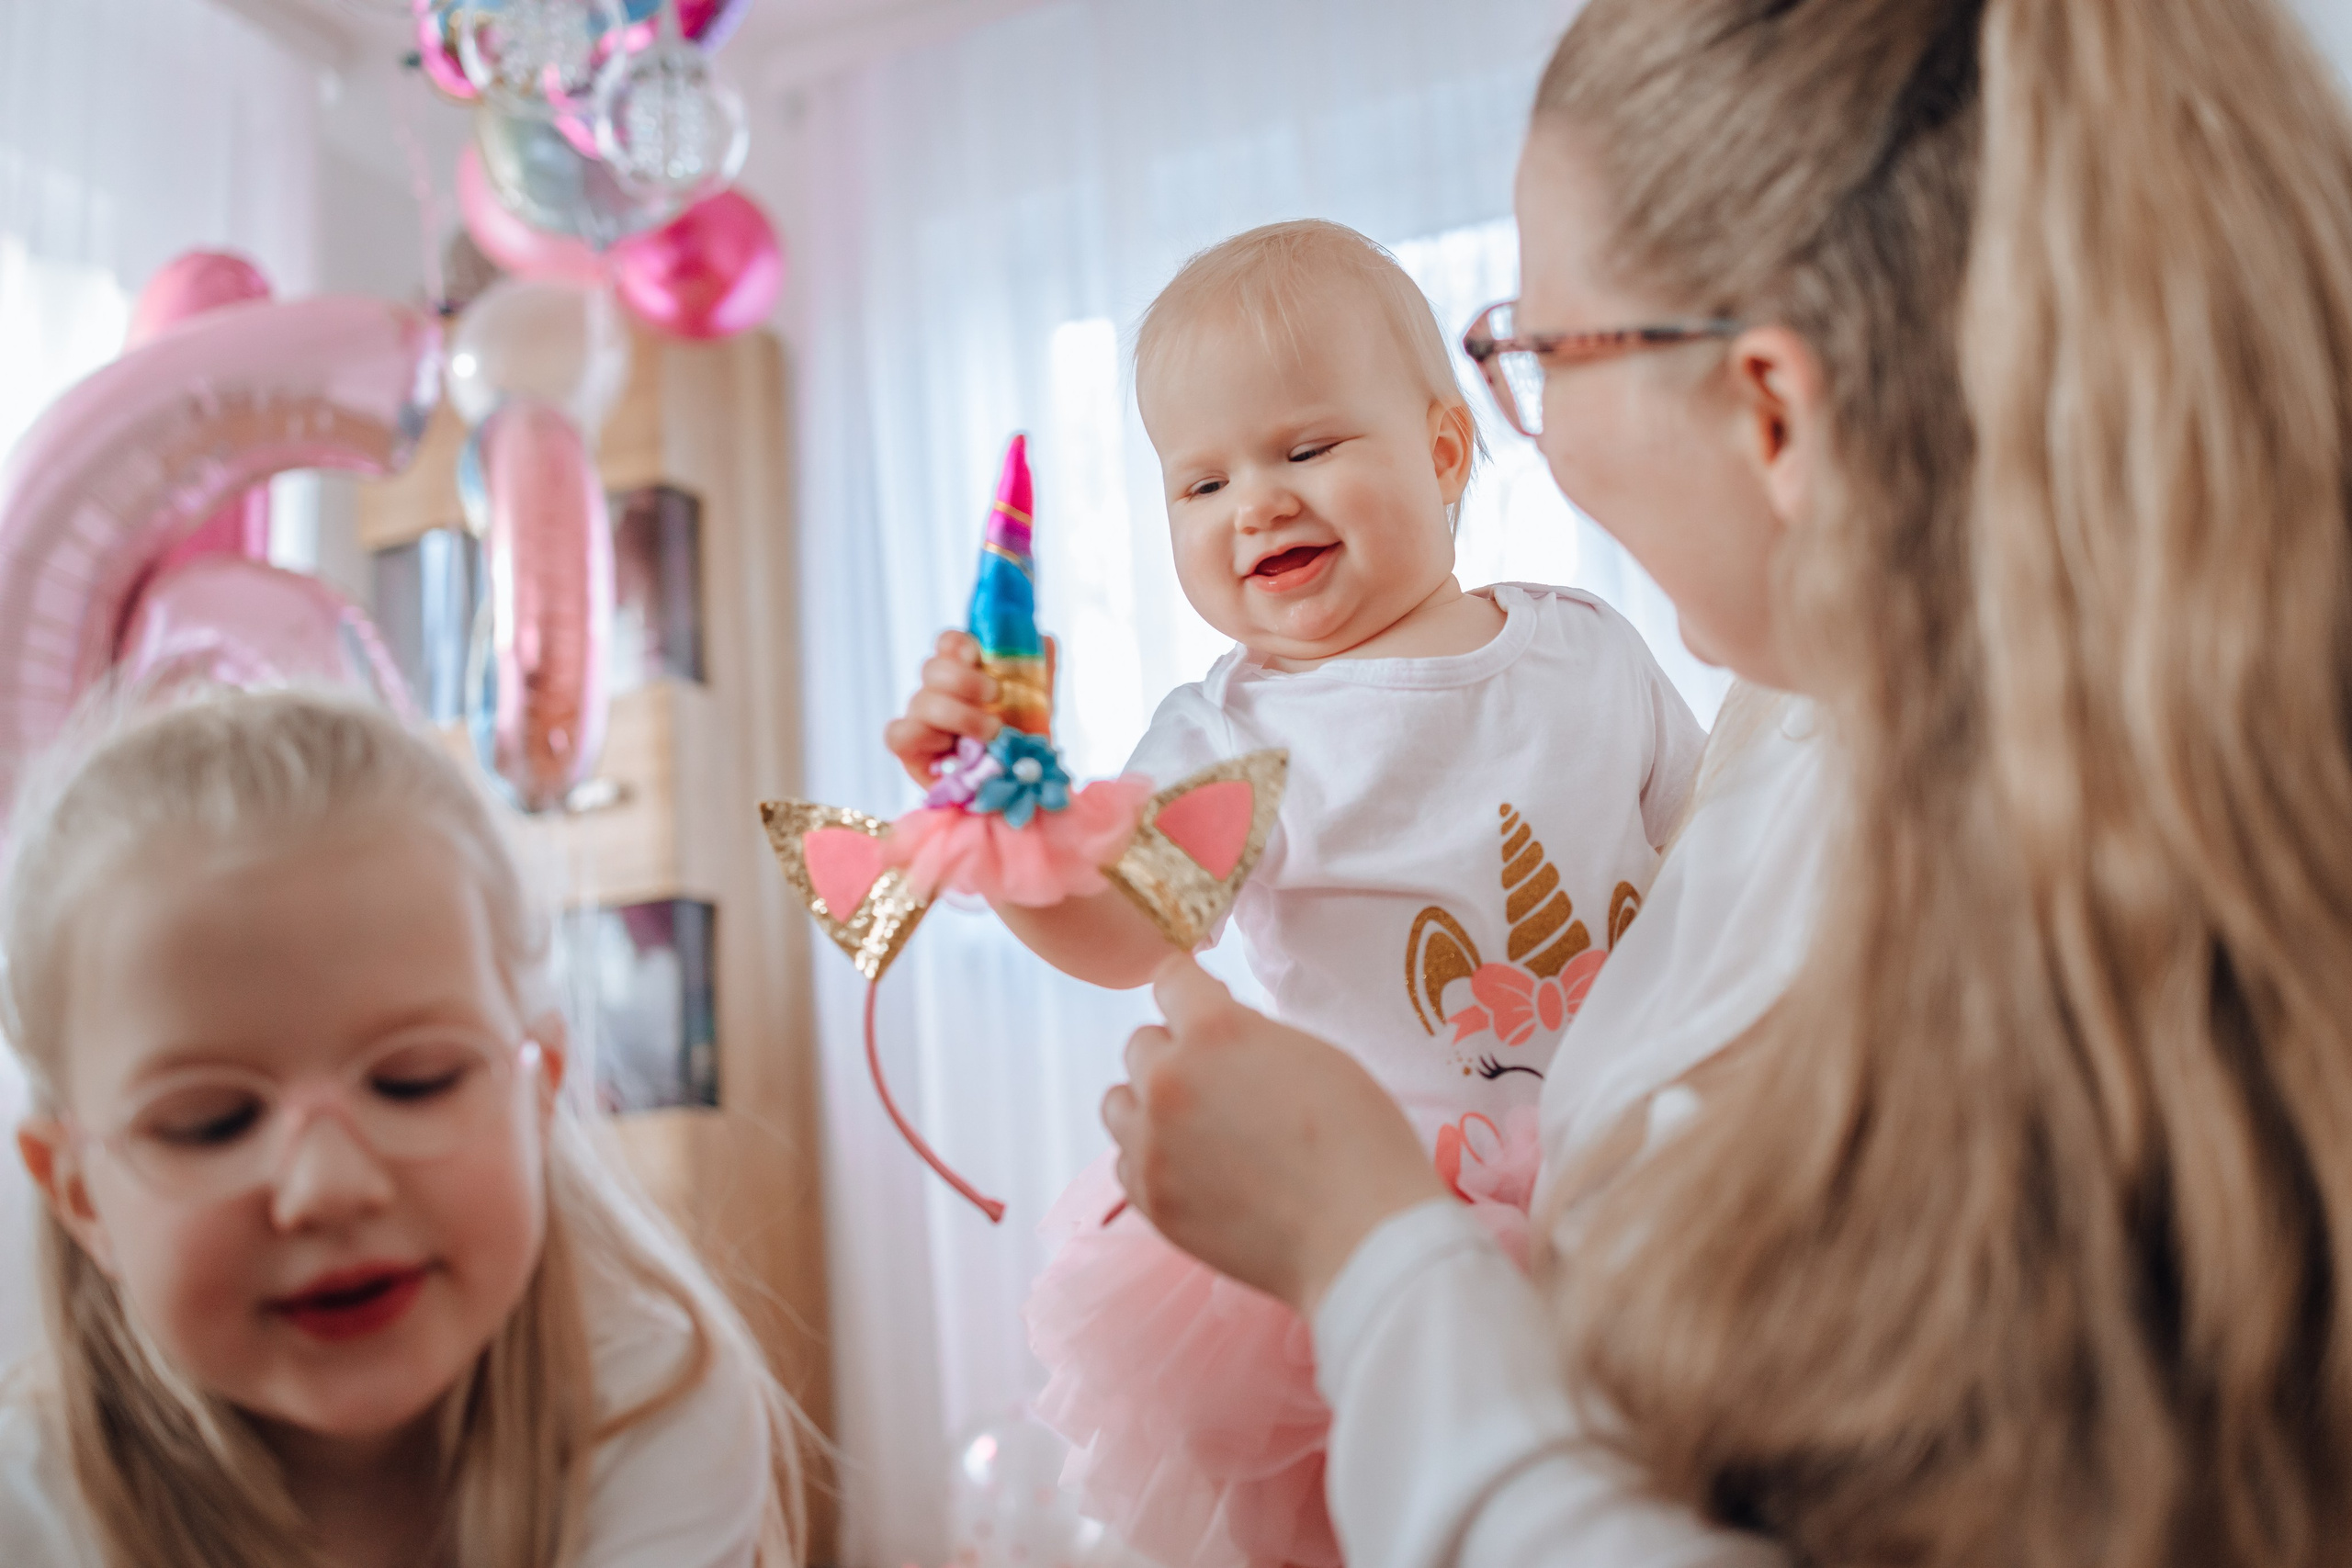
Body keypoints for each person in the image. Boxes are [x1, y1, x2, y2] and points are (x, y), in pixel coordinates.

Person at [1102, 1, 2352, 1565]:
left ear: (1771, 407)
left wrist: (1364, 1245)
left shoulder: (1940, 884)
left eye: (1537, 354)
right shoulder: (1813, 735)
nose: (1531, 438)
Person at [887, 220, 1706, 1567]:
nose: (1252, 501)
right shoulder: (1228, 737)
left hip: (1637, 1174)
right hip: (1364, 1202)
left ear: (1444, 451)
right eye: (1196, 483)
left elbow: (1711, 856)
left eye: (1304, 449)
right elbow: (1122, 929)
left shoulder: (1584, 649)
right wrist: (1005, 835)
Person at [0, 690, 806, 1568]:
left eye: (414, 1081)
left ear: (540, 1096)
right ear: (79, 1196)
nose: (329, 1186)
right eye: (212, 1123)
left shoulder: (652, 1410)